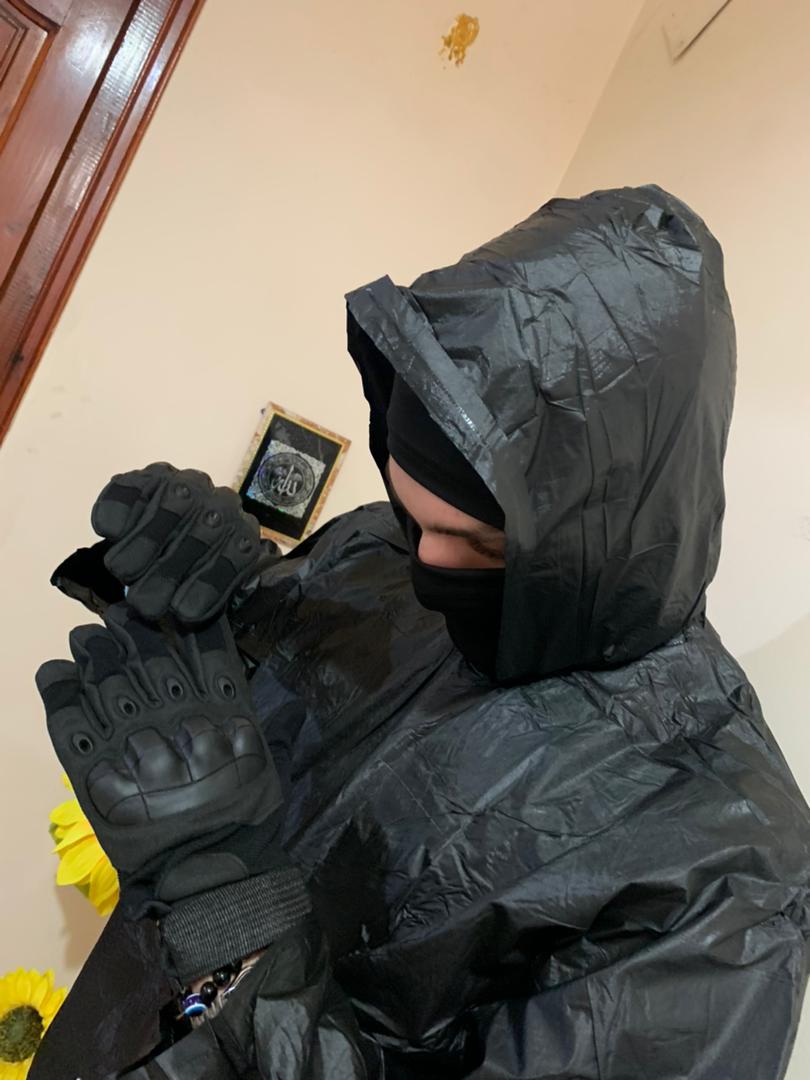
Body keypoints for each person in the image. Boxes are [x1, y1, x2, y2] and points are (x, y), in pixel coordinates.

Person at [30, 185, 810, 1080]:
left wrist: (233, 920)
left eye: (477, 542)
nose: (427, 558)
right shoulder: (381, 548)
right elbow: (245, 728)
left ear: (598, 530)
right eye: (411, 510)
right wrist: (218, 590)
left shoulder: (724, 878)